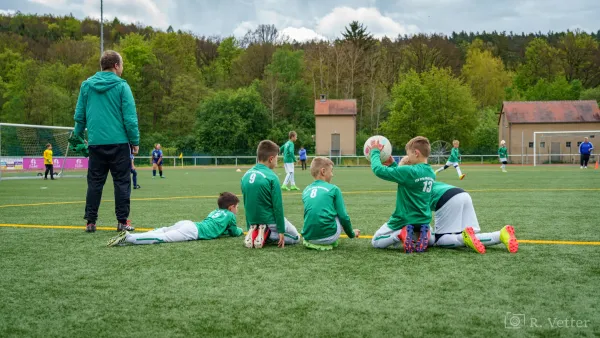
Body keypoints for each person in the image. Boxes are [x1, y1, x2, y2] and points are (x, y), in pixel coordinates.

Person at [74, 50, 139, 233]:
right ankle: (122, 222)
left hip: (96, 143)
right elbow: (130, 118)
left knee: (94, 183)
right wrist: (135, 141)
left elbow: (80, 117)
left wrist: (77, 138)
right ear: (116, 65)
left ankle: (90, 222)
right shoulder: (122, 86)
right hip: (119, 143)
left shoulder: (86, 86)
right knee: (122, 182)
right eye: (122, 64)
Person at [369, 136, 435, 253]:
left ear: (416, 153)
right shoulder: (431, 172)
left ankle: (400, 234)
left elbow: (378, 170)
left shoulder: (409, 171)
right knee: (430, 240)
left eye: (408, 154)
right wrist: (393, 165)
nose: (407, 157)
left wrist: (374, 152)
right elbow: (406, 180)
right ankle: (424, 233)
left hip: (403, 219)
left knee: (376, 241)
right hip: (423, 219)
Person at [107, 192, 243, 246]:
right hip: (193, 232)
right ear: (231, 207)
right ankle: (129, 237)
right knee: (162, 238)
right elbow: (234, 231)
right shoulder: (230, 216)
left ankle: (133, 236)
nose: (237, 210)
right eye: (237, 207)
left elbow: (217, 228)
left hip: (189, 224)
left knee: (164, 231)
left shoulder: (215, 211)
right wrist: (241, 231)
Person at [428, 180, 518, 254]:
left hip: (446, 198)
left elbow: (421, 220)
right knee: (469, 236)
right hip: (462, 193)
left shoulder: (414, 190)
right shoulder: (422, 180)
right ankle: (500, 235)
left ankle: (464, 238)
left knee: (440, 239)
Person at [241, 140, 300, 249]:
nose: (277, 161)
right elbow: (277, 207)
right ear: (271, 159)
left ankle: (255, 232)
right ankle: (267, 235)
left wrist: (249, 227)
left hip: (253, 221)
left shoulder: (245, 176)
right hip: (270, 222)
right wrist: (281, 231)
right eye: (277, 158)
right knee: (296, 237)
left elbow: (246, 203)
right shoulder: (272, 177)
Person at [301, 157, 360, 250]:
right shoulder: (334, 189)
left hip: (308, 237)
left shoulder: (306, 190)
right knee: (338, 213)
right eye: (331, 171)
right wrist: (351, 234)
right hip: (328, 237)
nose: (332, 175)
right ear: (323, 171)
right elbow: (344, 217)